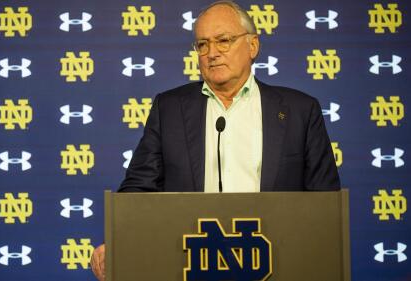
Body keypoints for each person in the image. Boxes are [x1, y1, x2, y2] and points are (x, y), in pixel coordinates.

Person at [91, 1, 340, 279]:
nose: (212, 54)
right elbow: (138, 189)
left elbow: (325, 204)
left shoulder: (300, 111)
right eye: (202, 45)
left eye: (224, 41)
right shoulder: (170, 108)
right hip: (189, 263)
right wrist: (120, 241)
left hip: (277, 264)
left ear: (253, 46)